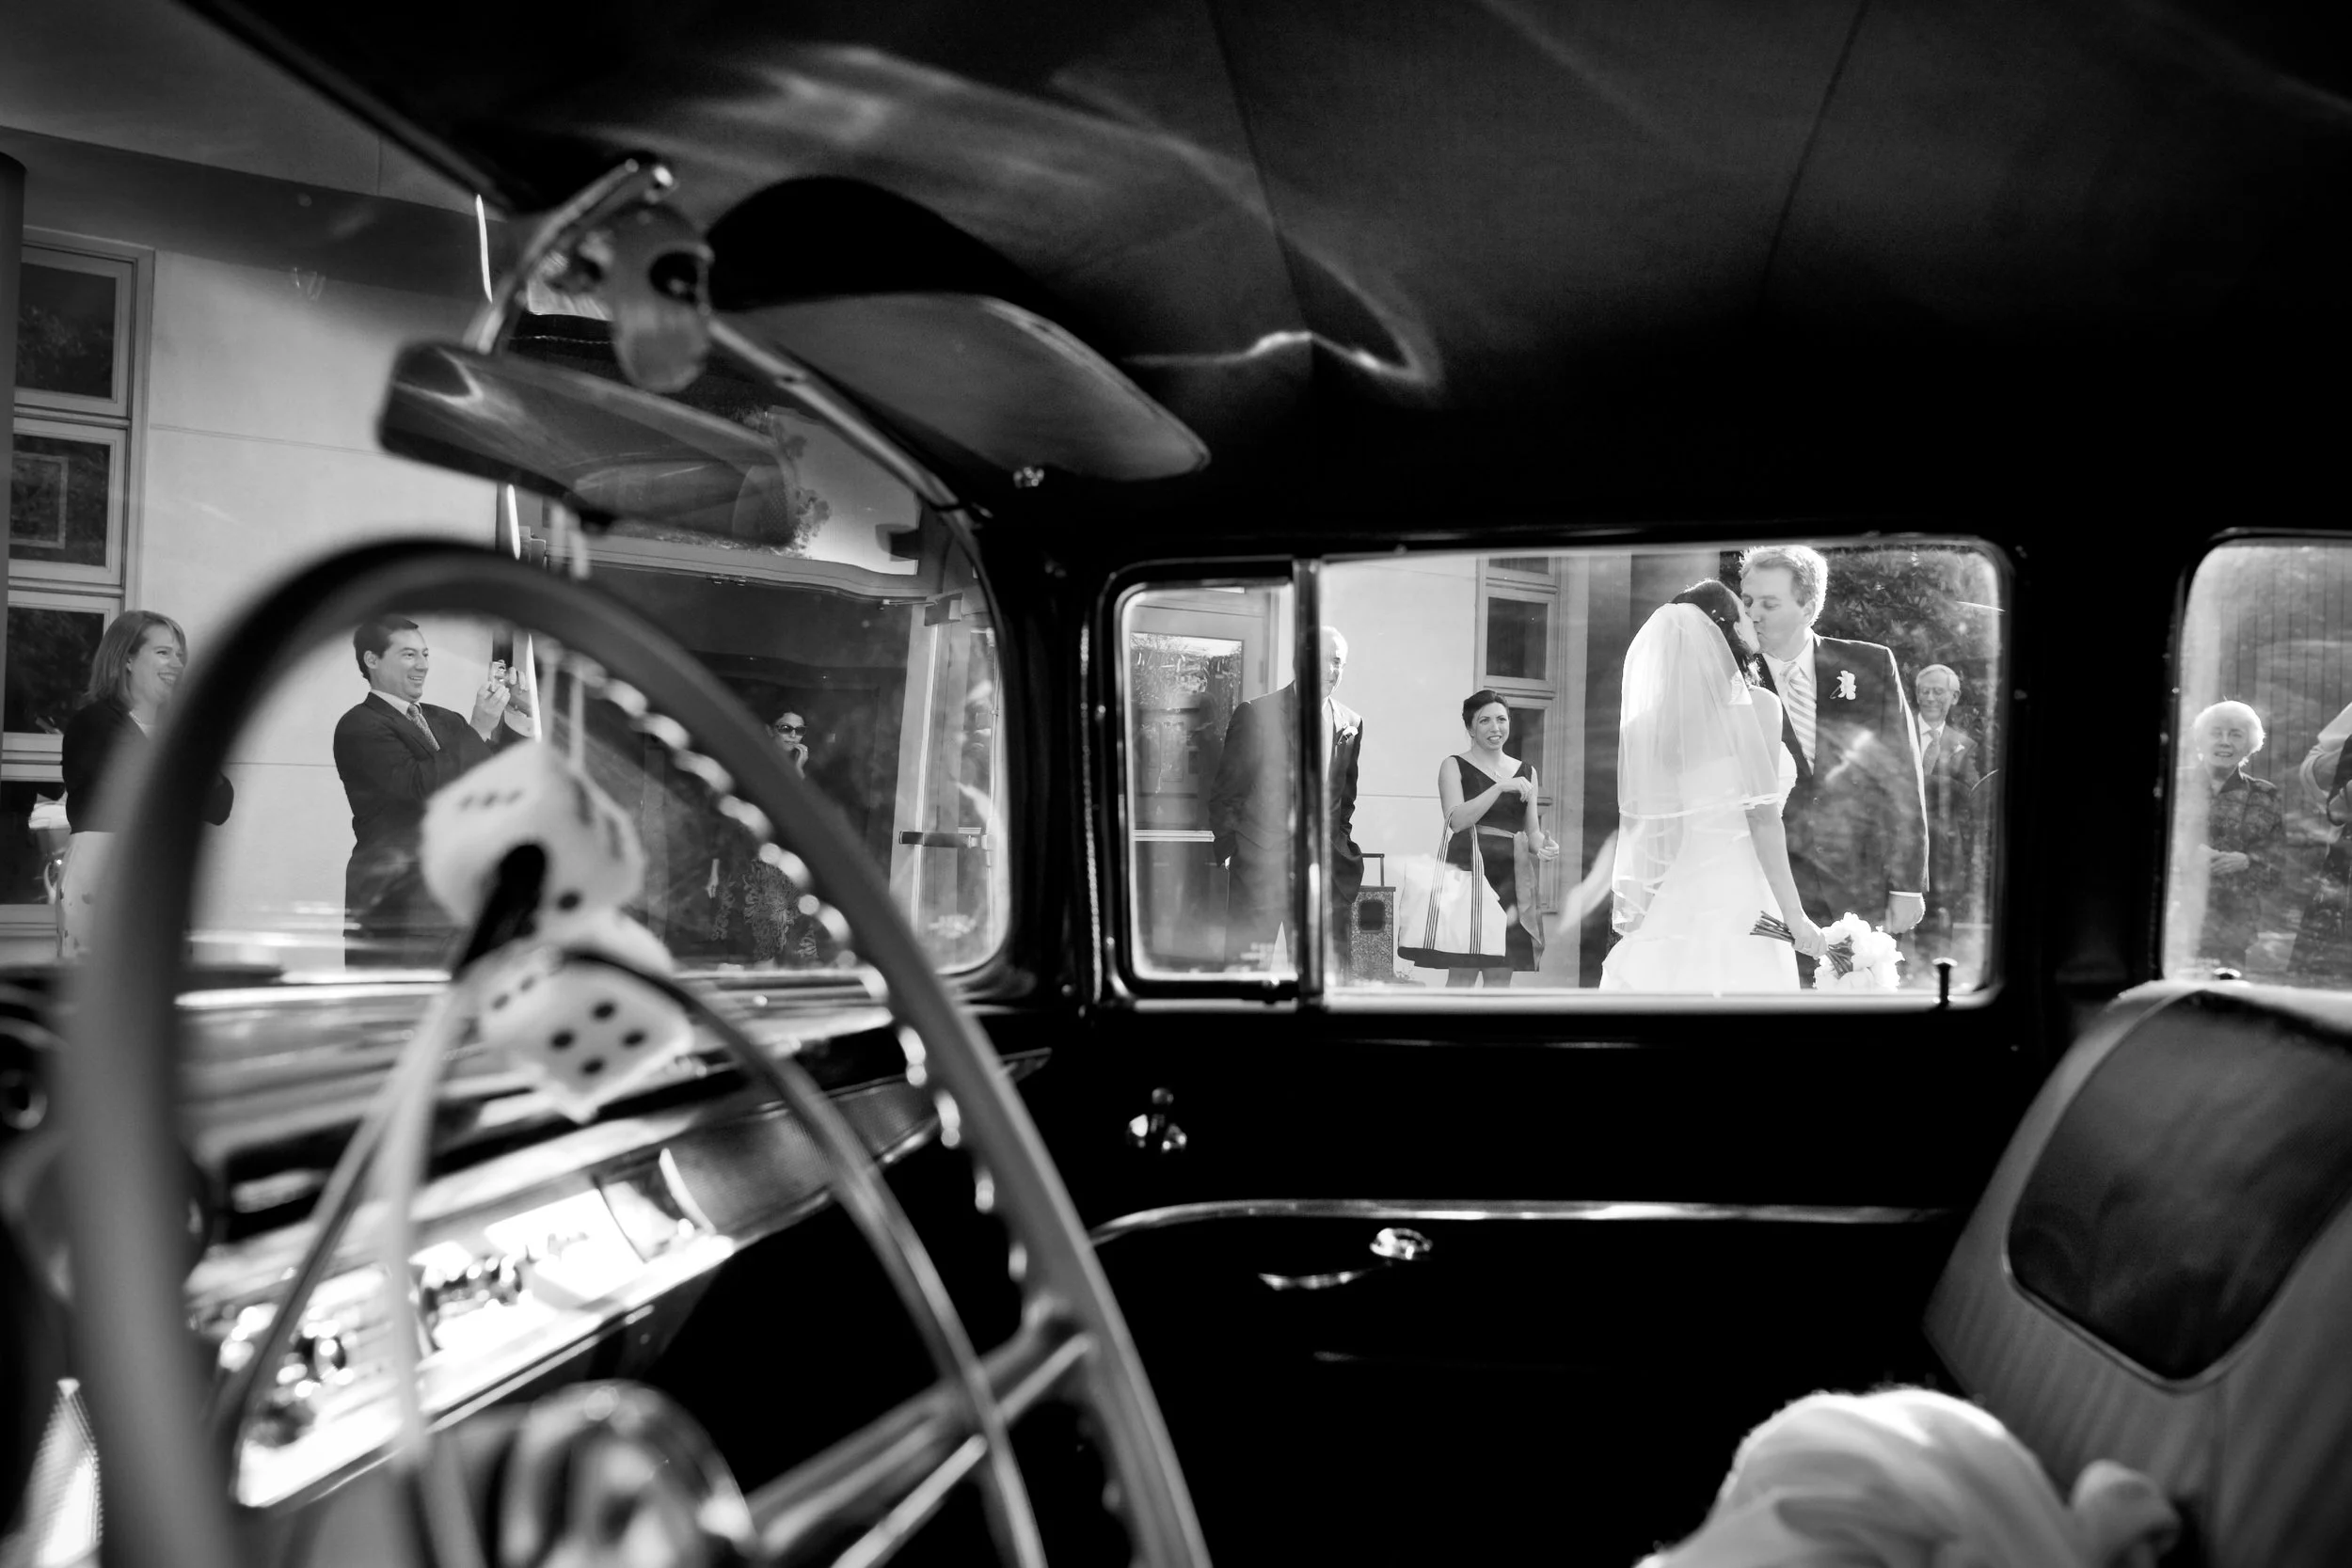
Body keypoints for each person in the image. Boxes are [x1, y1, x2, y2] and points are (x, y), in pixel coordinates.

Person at [1597, 585, 1825, 992]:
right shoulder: (1758, 706)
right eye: (1743, 612)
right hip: (1741, 894)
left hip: (1680, 891)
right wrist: (1795, 916)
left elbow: (1659, 829)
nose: (1752, 618)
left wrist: (1646, 911)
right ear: (1724, 631)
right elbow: (1762, 819)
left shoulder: (1655, 724)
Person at [1740, 546, 1929, 970]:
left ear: (1808, 607)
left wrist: (1906, 885)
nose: (1753, 614)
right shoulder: (1728, 674)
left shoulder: (1870, 664)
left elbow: (1900, 777)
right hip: (1767, 891)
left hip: (1858, 884)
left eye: (1770, 603)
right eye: (1748, 601)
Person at [332, 616, 533, 965]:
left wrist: (518, 721)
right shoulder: (359, 725)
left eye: (425, 654)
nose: (423, 665)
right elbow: (419, 788)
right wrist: (480, 728)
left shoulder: (447, 720)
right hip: (395, 907)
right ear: (372, 659)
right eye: (409, 654)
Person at [56, 611, 233, 958]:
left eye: (180, 655)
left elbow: (219, 805)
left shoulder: (178, 730)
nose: (177, 664)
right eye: (164, 652)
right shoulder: (95, 723)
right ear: (127, 659)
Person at [1205, 626, 1363, 967]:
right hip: (1260, 868)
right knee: (1245, 969)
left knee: (1322, 977)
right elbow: (1226, 792)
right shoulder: (1256, 714)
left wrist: (1340, 841)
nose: (1330, 670)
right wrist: (1233, 850)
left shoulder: (1350, 723)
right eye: (1321, 659)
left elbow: (1344, 799)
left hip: (1323, 873)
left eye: (1337, 662)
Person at [1399, 689, 1562, 986]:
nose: (1495, 728)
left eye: (1501, 719)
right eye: (1484, 720)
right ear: (1470, 728)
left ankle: (1492, 1034)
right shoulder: (1453, 765)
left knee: (1501, 973)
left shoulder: (1527, 772)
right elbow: (1457, 820)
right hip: (1467, 873)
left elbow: (1531, 831)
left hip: (1511, 876)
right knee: (1463, 971)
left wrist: (1543, 847)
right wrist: (1499, 788)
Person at [709, 708, 830, 967]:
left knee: (784, 935)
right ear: (769, 731)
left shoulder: (802, 772)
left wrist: (798, 769)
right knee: (758, 934)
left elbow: (803, 820)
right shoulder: (753, 768)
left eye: (800, 730)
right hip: (751, 863)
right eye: (786, 728)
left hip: (782, 867)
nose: (793, 735)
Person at [2182, 699, 2282, 974]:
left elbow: (2277, 866)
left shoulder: (2265, 794)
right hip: (2175, 924)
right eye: (2216, 733)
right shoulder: (2175, 785)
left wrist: (2247, 861)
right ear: (2201, 740)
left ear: (2249, 744)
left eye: (2236, 734)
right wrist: (2187, 854)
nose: (2224, 742)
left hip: (2234, 927)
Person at [1912, 664, 1982, 953]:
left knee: (1935, 945)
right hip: (1895, 850)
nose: (1930, 698)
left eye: (1938, 692)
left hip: (1940, 859)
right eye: (1924, 691)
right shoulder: (1896, 732)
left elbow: (1972, 794)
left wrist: (1927, 782)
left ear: (1954, 697)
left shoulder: (1965, 745)